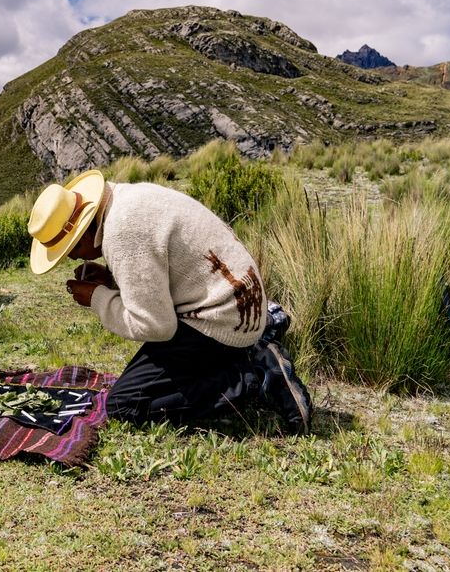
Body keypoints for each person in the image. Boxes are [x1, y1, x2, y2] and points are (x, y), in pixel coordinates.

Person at [27, 169, 312, 433]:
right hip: (241, 305)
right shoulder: (125, 200)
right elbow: (164, 272)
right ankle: (255, 343)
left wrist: (97, 298)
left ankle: (257, 377)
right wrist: (113, 279)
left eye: (70, 250)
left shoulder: (122, 233)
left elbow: (156, 326)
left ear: (81, 233)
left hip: (222, 320)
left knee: (124, 404)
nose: (74, 258)